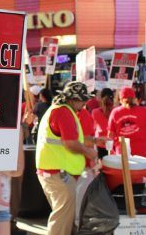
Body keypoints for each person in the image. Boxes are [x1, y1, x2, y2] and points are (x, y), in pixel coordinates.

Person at [35, 81, 98, 235]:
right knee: (62, 220)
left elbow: (68, 140)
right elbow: (70, 143)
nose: (84, 103)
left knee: (63, 217)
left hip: (54, 173)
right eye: (82, 100)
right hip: (58, 174)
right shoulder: (63, 112)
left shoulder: (59, 110)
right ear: (73, 99)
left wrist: (95, 141)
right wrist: (89, 153)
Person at [108, 87, 146, 157]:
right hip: (141, 154)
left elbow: (110, 135)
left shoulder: (115, 112)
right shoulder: (144, 111)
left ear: (121, 100)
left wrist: (110, 151)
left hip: (122, 154)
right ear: (134, 98)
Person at [91, 88, 114, 158]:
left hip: (100, 141)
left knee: (102, 165)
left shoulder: (94, 112)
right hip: (112, 142)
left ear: (101, 98)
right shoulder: (116, 111)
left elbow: (93, 127)